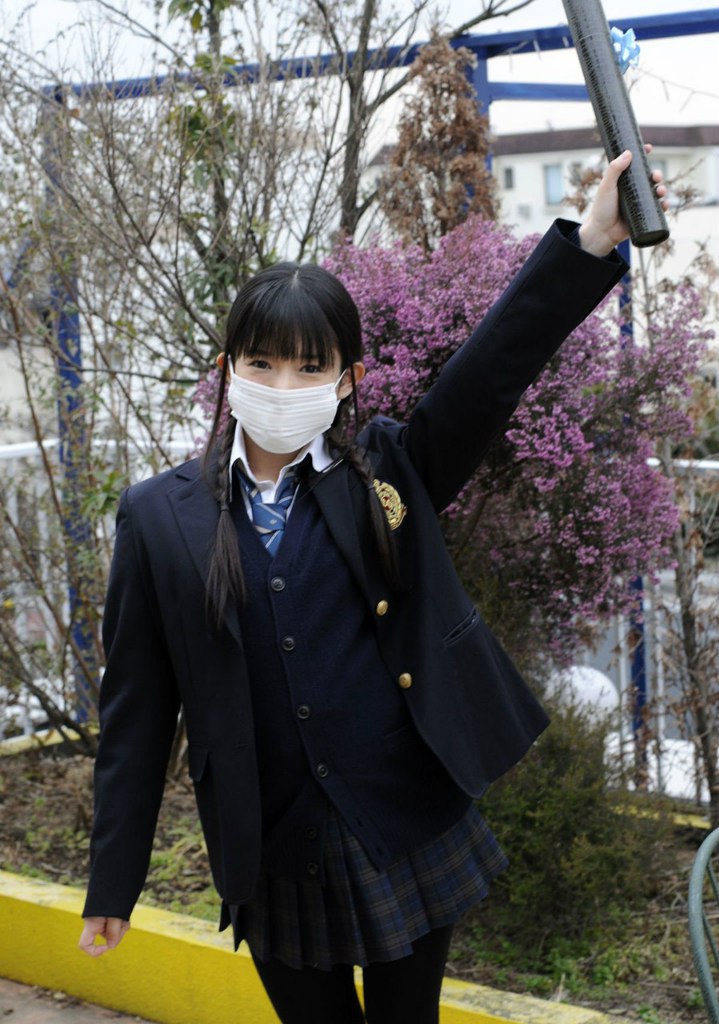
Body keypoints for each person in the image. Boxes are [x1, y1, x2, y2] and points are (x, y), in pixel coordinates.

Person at [78, 150, 667, 1024]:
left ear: (347, 378)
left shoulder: (387, 468)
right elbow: (136, 708)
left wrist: (585, 243)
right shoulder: (158, 517)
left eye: (309, 367)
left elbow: (486, 376)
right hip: (270, 845)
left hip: (406, 813)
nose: (283, 386)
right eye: (262, 363)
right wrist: (113, 882)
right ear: (229, 368)